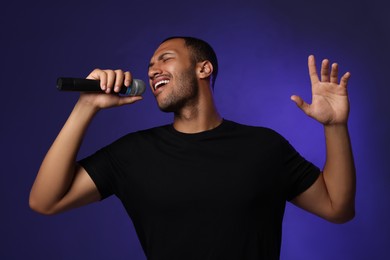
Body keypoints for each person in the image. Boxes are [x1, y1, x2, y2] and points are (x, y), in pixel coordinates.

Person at [29, 36, 356, 259]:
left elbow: (337, 207)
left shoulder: (264, 147)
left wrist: (335, 126)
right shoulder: (132, 154)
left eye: (165, 59)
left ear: (204, 68)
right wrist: (86, 106)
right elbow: (46, 201)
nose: (152, 69)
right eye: (150, 66)